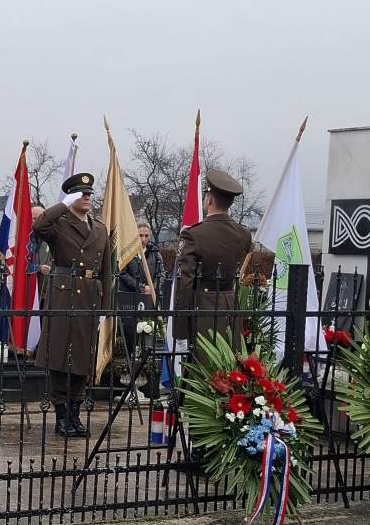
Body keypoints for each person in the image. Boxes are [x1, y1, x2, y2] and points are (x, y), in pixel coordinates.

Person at [33, 173, 112, 438]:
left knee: (83, 356)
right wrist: (63, 205)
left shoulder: (99, 229)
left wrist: (104, 308)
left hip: (89, 295)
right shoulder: (60, 223)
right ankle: (61, 415)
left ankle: (75, 415)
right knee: (59, 356)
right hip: (64, 294)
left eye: (89, 194)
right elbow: (39, 226)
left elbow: (106, 271)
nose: (87, 198)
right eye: (81, 194)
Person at [174, 169, 252, 357]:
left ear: (209, 200)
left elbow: (184, 284)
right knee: (230, 365)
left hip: (203, 308)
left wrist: (180, 332)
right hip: (230, 306)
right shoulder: (243, 234)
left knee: (202, 366)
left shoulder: (193, 235)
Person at [116, 220, 165, 366]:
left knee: (149, 330)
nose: (143, 239)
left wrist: (154, 286)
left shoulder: (155, 252)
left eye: (146, 236)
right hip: (131, 299)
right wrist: (142, 287)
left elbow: (162, 273)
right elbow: (122, 273)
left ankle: (147, 361)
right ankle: (130, 361)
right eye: (140, 236)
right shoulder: (127, 252)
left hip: (150, 299)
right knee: (131, 332)